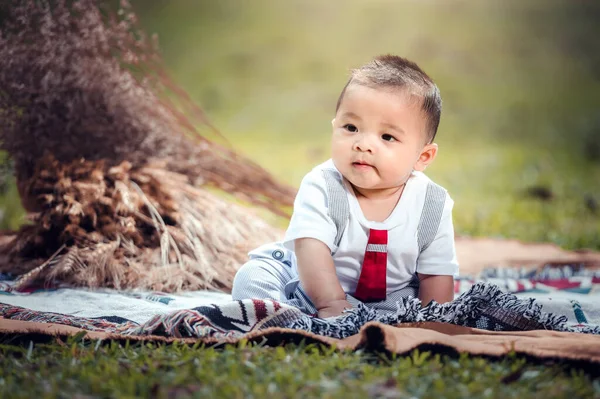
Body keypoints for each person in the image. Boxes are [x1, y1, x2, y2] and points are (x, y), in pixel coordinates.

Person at [232, 55, 458, 318]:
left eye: (387, 136)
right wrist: (330, 302)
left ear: (422, 157)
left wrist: (432, 322)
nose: (362, 144)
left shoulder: (432, 204)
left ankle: (372, 321)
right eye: (351, 127)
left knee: (418, 304)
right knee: (252, 277)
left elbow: (436, 274)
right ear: (334, 126)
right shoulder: (324, 185)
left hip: (390, 297)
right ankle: (286, 317)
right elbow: (311, 249)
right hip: (307, 288)